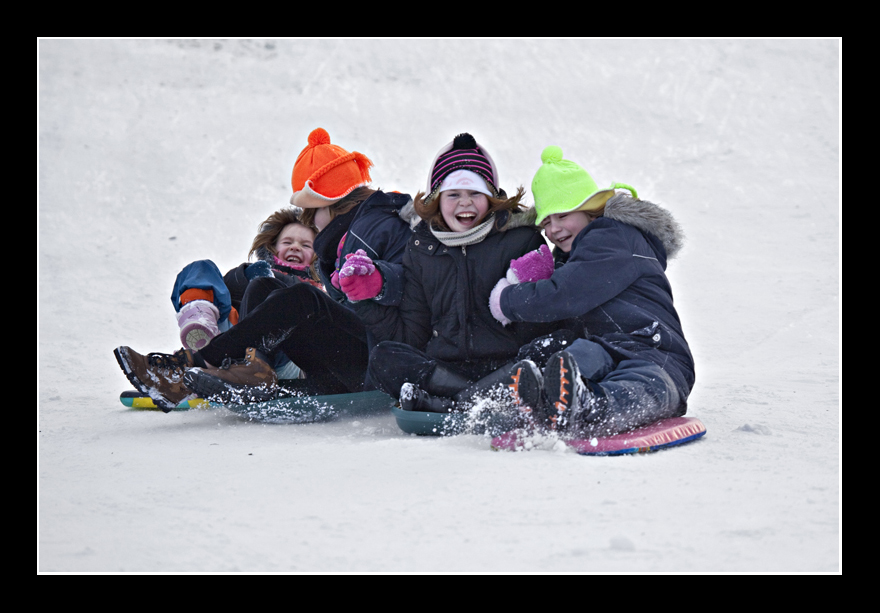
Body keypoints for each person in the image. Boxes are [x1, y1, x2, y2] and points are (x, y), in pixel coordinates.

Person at [114, 128, 414, 411]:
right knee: (264, 287)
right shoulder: (352, 234)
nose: (312, 224)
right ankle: (253, 373)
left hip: (380, 364)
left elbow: (405, 287)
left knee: (303, 299)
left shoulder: (372, 227)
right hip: (352, 364)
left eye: (312, 214)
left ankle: (193, 367)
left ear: (330, 205)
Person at [487, 145, 695, 437]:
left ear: (590, 210)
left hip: (654, 354)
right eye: (546, 222)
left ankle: (589, 408)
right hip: (605, 349)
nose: (554, 229)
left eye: (562, 215)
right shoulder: (572, 257)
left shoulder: (615, 237)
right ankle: (542, 401)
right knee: (574, 359)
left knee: (644, 384)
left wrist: (507, 299)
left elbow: (565, 295)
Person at [349, 133, 558, 412]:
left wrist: (529, 292)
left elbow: (542, 321)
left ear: (491, 197)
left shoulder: (520, 238)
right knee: (385, 357)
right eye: (454, 195)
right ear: (437, 198)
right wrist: (364, 299)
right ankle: (479, 399)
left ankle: (455, 403)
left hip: (509, 364)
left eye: (475, 193)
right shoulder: (422, 248)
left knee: (558, 344)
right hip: (446, 370)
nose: (465, 203)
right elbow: (413, 333)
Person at [172, 208, 320, 354]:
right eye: (287, 242)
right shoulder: (252, 270)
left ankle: (251, 359)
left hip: (284, 351)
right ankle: (201, 320)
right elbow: (225, 289)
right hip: (229, 334)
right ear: (272, 247)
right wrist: (248, 274)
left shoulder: (317, 295)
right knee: (200, 269)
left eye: (306, 245)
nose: (295, 247)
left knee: (267, 287)